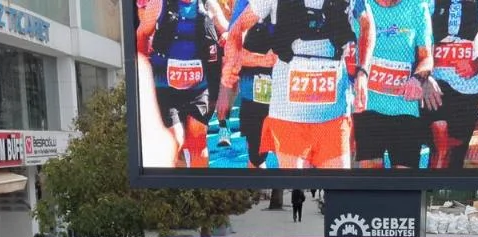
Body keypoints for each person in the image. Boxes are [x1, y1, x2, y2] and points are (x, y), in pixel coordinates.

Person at [219, 0, 357, 169]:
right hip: (285, 112)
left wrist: (361, 73)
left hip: (331, 113)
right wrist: (235, 61)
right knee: (264, 162)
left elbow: (365, 26)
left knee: (335, 179)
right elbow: (236, 30)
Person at [136, 0, 229, 167]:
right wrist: (143, 71)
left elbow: (228, 30)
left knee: (198, 137)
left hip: (199, 87)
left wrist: (228, 36)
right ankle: (179, 178)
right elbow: (141, 34)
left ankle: (199, 182)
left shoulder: (208, 4)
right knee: (175, 140)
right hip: (166, 87)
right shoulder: (159, 4)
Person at [352, 0, 439, 169]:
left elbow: (427, 58)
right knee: (370, 177)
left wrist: (417, 78)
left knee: (402, 180)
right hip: (369, 106)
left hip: (405, 108)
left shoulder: (417, 6)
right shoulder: (361, 6)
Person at [424, 0, 478, 169]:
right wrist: (425, 76)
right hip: (435, 84)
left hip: (468, 87)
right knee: (440, 146)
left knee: (455, 153)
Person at [221, 0, 278, 168]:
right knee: (256, 156)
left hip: (293, 91)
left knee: (294, 154)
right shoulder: (246, 4)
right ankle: (223, 124)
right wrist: (263, 60)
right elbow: (232, 46)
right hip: (254, 87)